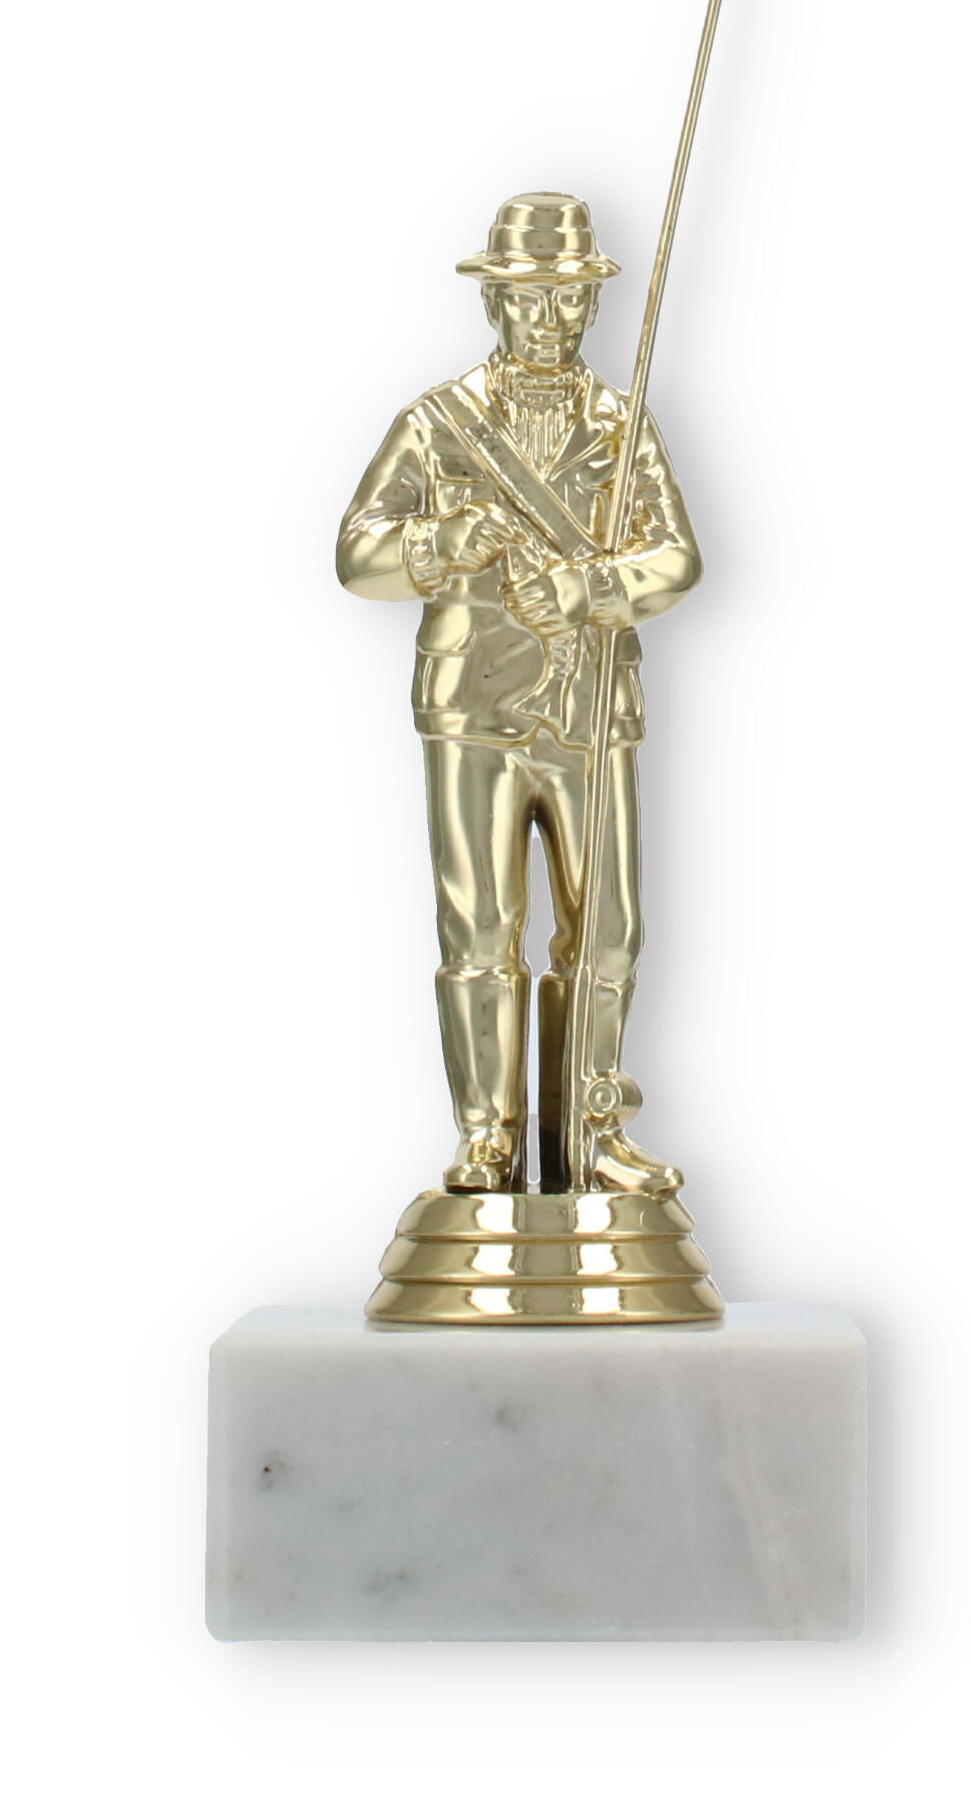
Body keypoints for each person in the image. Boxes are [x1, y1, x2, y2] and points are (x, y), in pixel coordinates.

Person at [337, 193, 702, 1194]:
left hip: (590, 707)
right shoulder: (435, 426)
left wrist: (588, 588)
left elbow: (676, 558)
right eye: (531, 297)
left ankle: (590, 1128)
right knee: (480, 928)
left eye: (569, 297)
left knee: (609, 928)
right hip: (475, 707)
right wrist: (445, 542)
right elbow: (357, 553)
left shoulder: (621, 425)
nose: (551, 318)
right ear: (494, 300)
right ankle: (487, 1136)